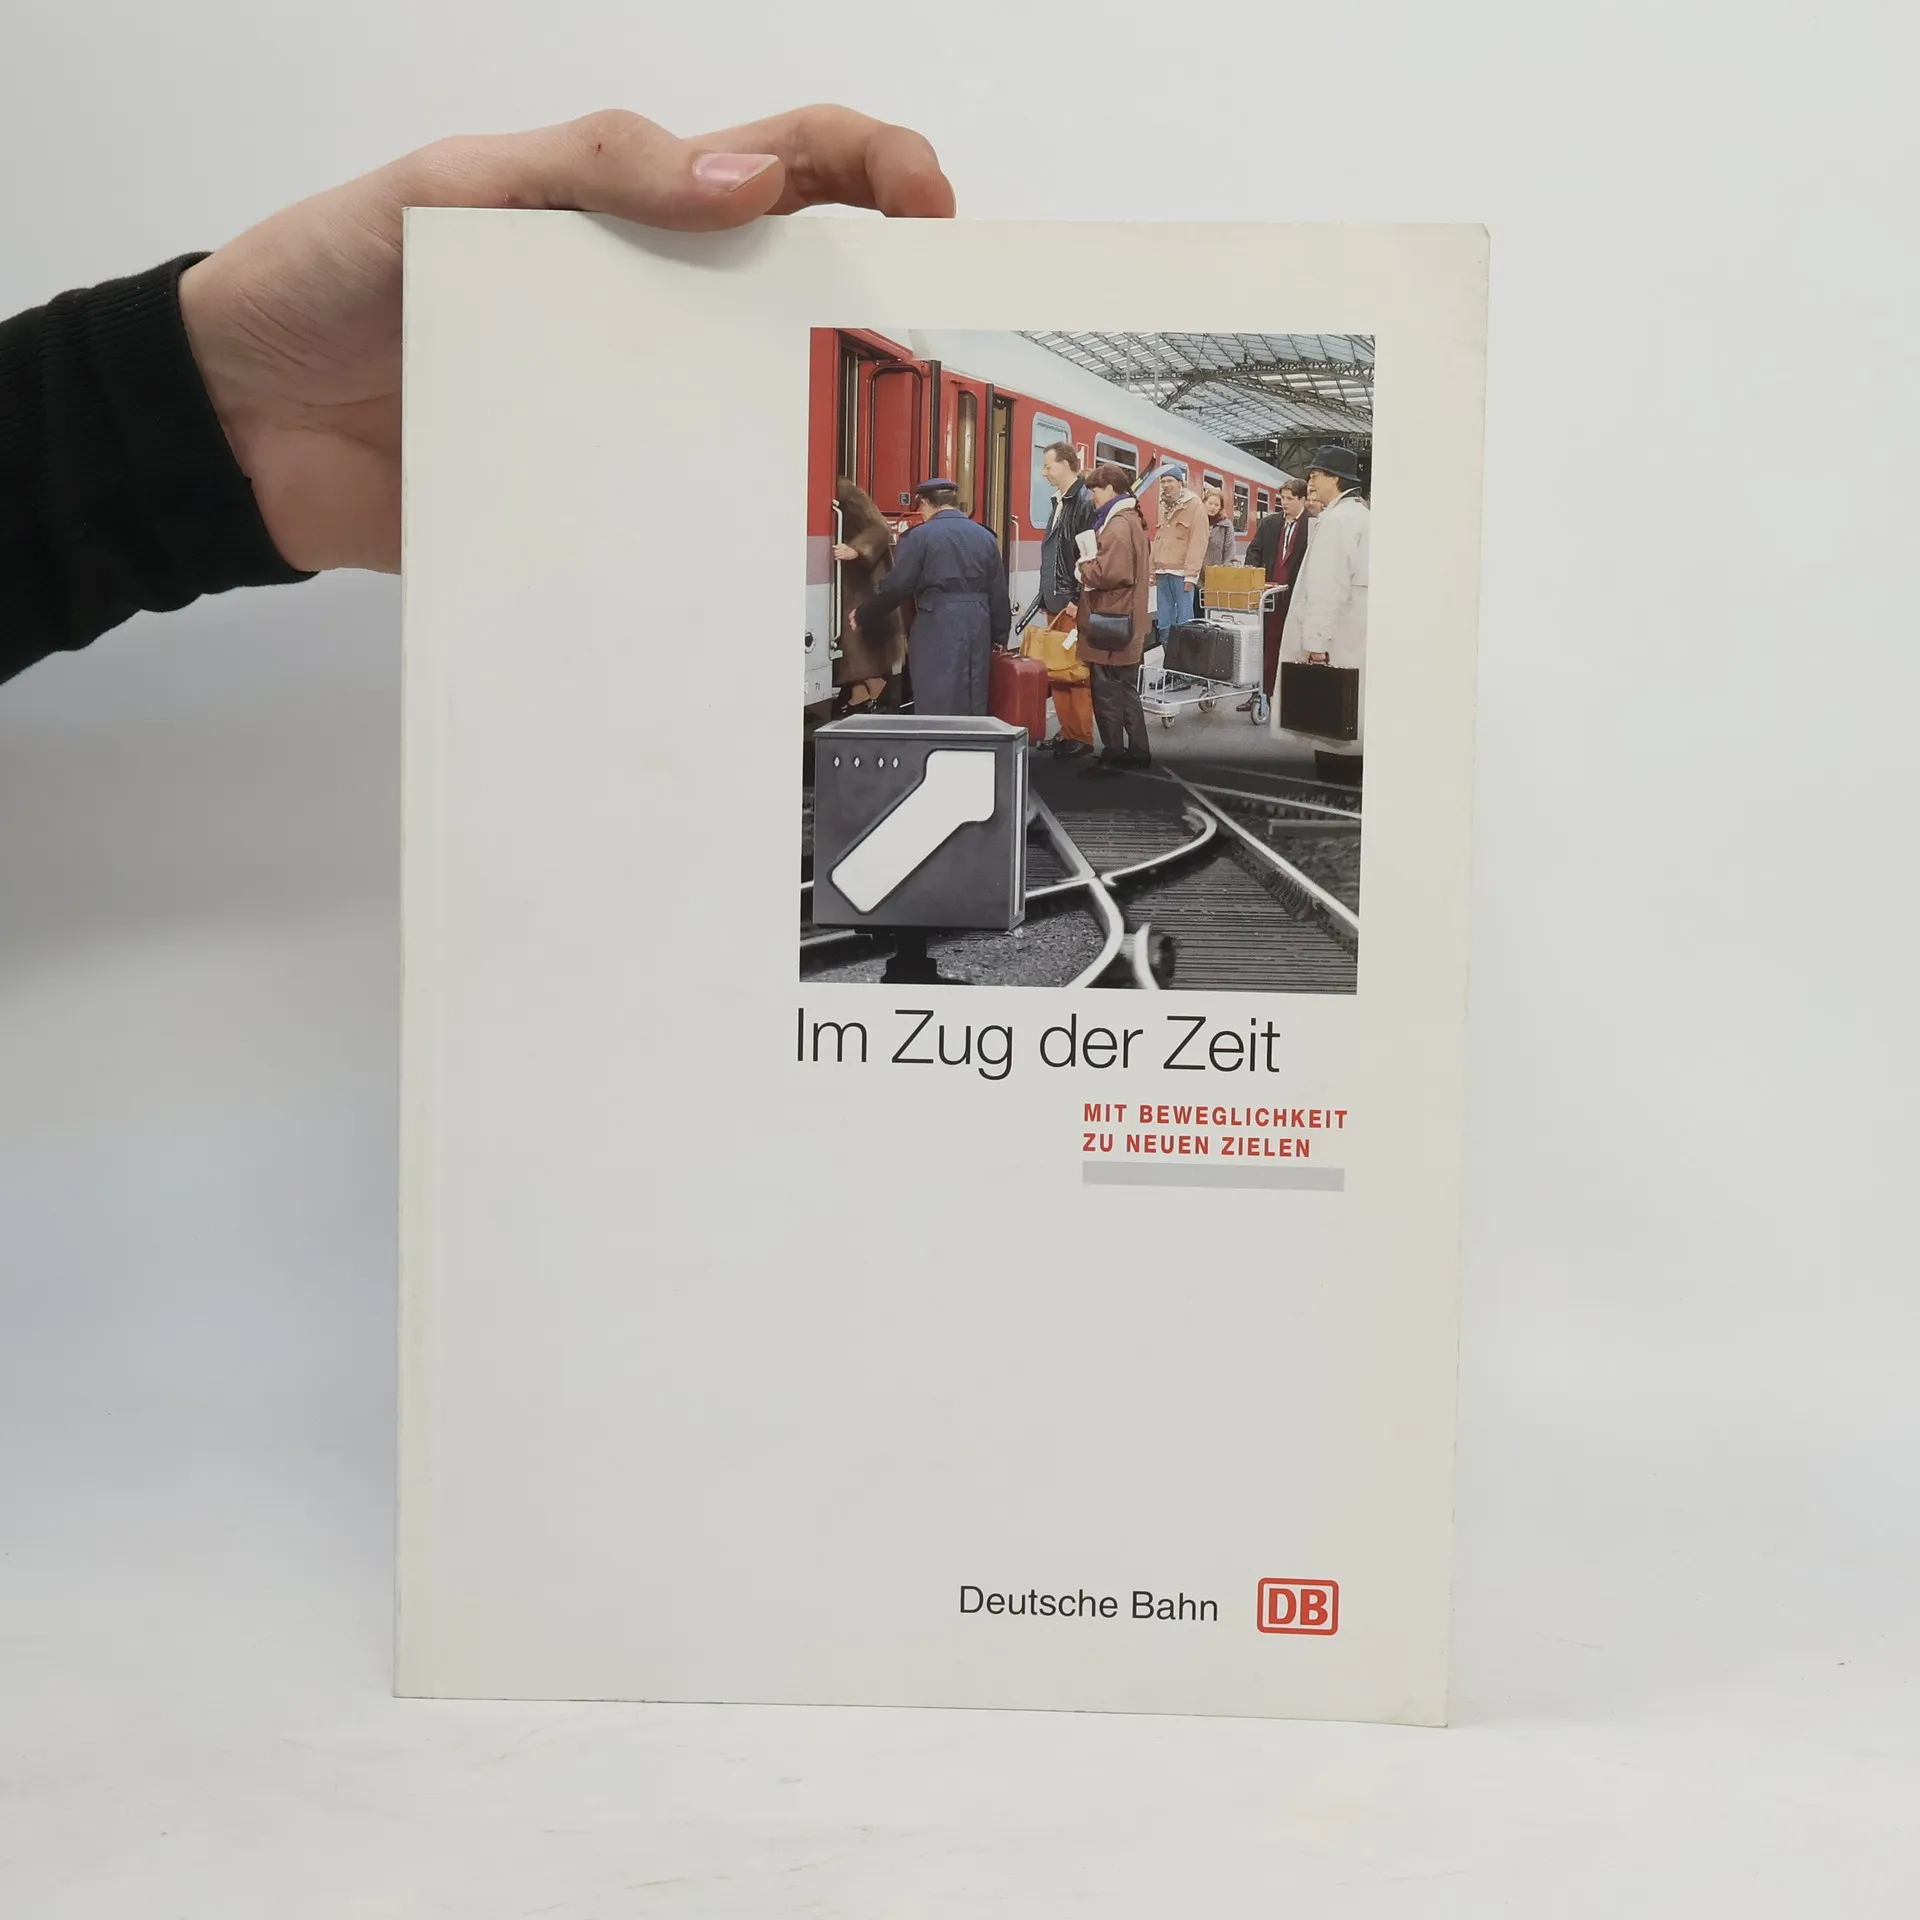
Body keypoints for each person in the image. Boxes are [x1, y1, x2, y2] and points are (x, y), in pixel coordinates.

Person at [0, 105, 955, 690]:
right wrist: (204, 388)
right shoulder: (882, 514)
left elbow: (884, 559)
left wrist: (195, 392)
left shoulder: (874, 515)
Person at [854, 477, 1009, 716]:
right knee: (973, 697)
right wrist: (1000, 634)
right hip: (978, 624)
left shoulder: (918, 537)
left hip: (936, 624)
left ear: (925, 503)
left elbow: (897, 586)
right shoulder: (985, 536)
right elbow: (998, 590)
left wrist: (864, 615)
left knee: (936, 697)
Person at [1273, 447, 1368, 783]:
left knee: (1329, 730)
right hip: (1351, 637)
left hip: (1335, 643)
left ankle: (1334, 799)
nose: (1310, 481)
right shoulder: (1358, 515)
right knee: (1347, 724)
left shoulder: (1338, 521)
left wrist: (1316, 646)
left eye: (1315, 475)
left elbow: (1327, 587)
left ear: (1334, 478)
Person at [1073, 462, 1153, 777]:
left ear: (1110, 489)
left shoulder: (1118, 525)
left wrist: (1083, 566)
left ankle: (1114, 754)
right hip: (1125, 619)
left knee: (1106, 691)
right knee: (1126, 690)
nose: (1092, 495)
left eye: (1095, 489)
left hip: (1111, 621)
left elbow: (1109, 573)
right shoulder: (1130, 520)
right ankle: (1138, 752)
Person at [1035, 441, 1098, 756]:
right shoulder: (1061, 501)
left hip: (1070, 601)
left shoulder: (1083, 501)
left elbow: (1088, 556)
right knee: (1057, 670)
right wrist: (1044, 593)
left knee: (1074, 670)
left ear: (1066, 464)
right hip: (1056, 598)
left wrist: (1077, 597)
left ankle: (1082, 736)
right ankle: (1067, 730)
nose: (1044, 472)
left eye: (1048, 465)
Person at [830, 477, 904, 713]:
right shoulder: (838, 489)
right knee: (852, 648)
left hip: (862, 583)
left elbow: (880, 528)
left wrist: (857, 550)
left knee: (858, 645)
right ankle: (860, 694)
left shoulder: (846, 491)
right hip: (849, 581)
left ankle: (876, 692)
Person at [1240, 476, 1310, 712]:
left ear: (1302, 499)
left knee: (1293, 648)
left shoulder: (1314, 524)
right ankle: (1263, 694)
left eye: (1289, 498)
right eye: (1282, 498)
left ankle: (1291, 698)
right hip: (1269, 598)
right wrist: (1252, 570)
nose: (1284, 502)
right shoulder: (1270, 523)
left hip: (1297, 597)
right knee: (1267, 647)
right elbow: (1254, 550)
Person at [1147, 472, 1208, 641]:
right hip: (1162, 571)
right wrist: (1152, 570)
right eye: (1163, 482)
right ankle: (1169, 654)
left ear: (1180, 483)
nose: (1166, 485)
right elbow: (1159, 538)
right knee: (1164, 622)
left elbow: (1198, 540)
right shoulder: (1164, 504)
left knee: (1184, 621)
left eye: (1170, 481)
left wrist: (1191, 575)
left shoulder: (1194, 504)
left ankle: (1185, 655)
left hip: (1181, 574)